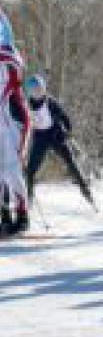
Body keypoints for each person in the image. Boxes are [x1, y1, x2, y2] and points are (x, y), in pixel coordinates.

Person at [22, 75, 95, 208]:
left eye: (38, 89)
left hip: (56, 135)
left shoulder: (51, 102)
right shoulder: (27, 104)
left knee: (71, 162)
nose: (36, 93)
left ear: (43, 89)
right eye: (33, 90)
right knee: (30, 171)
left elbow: (64, 117)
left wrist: (67, 131)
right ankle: (29, 198)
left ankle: (85, 190)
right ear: (29, 92)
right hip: (40, 138)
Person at [0, 41, 31, 236]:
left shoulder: (11, 78)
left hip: (13, 131)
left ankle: (22, 217)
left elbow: (18, 63)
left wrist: (23, 144)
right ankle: (4, 217)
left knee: (13, 174)